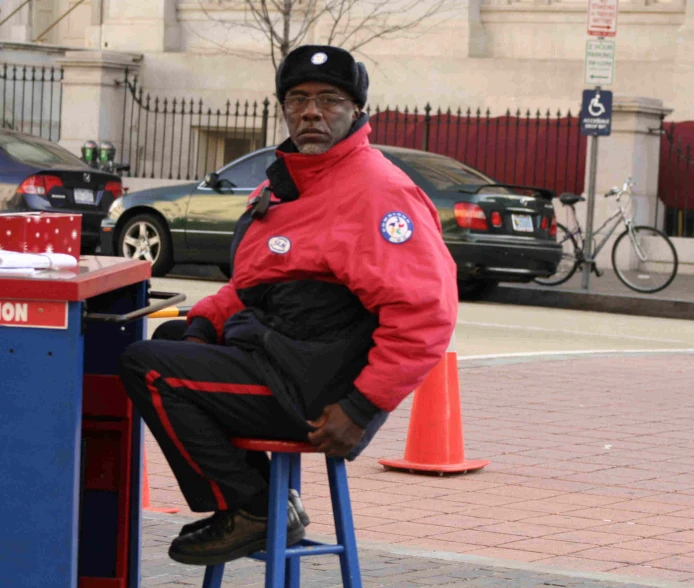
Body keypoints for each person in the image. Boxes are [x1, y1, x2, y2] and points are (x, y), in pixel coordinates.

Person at [118, 44, 458, 567]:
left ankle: (254, 509)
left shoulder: (378, 191)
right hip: (277, 354)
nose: (311, 112)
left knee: (148, 368)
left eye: (329, 100)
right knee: (171, 342)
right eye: (297, 99)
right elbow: (257, 282)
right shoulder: (289, 183)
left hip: (317, 393)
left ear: (357, 111)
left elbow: (426, 315)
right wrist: (206, 320)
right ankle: (267, 505)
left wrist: (362, 407)